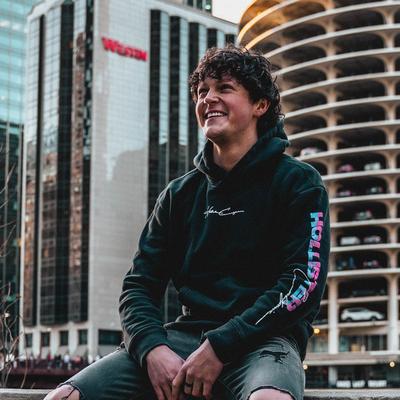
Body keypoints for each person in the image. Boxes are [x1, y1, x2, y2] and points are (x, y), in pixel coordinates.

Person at [45, 45, 329, 400]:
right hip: (184, 340)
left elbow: (302, 284)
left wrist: (221, 346)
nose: (208, 98)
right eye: (202, 91)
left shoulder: (299, 182)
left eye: (224, 88)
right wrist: (152, 348)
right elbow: (138, 286)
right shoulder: (179, 194)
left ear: (260, 104)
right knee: (65, 397)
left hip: (264, 342)